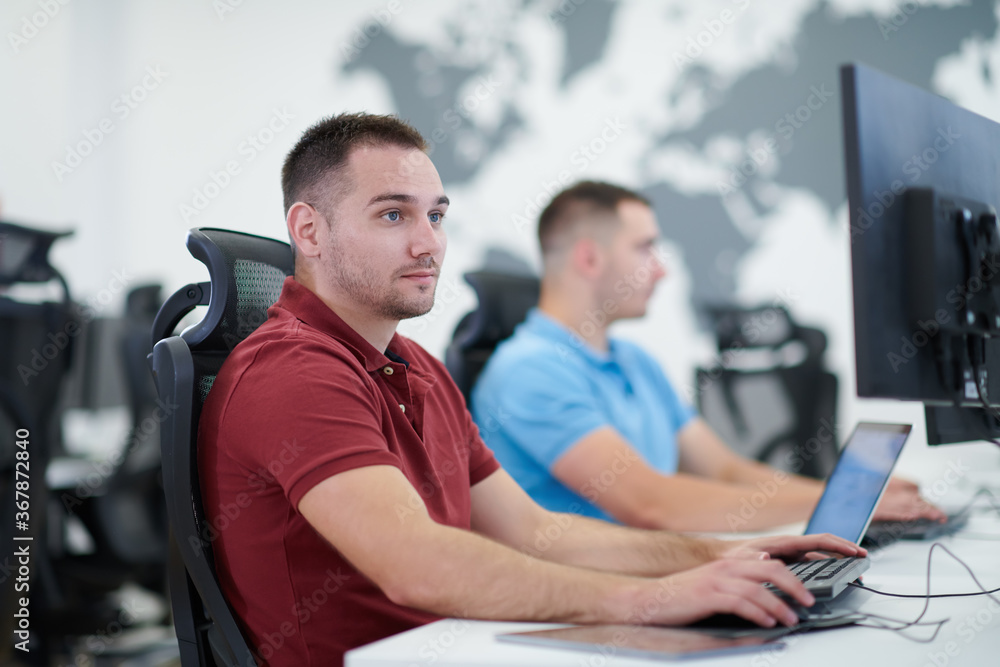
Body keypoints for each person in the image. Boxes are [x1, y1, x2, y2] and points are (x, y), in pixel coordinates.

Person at [199, 114, 865, 666]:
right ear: (308, 231)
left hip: (474, 646)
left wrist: (718, 557)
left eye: (436, 215)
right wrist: (651, 598)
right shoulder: (291, 370)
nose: (430, 243)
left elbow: (536, 532)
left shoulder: (421, 370)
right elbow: (418, 564)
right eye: (394, 216)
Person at [471, 180, 946, 532]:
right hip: (587, 604)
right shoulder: (528, 372)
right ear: (590, 259)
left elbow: (727, 470)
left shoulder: (635, 360)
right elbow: (649, 502)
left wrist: (855, 494)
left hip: (659, 575)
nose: (660, 270)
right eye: (645, 248)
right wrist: (849, 501)